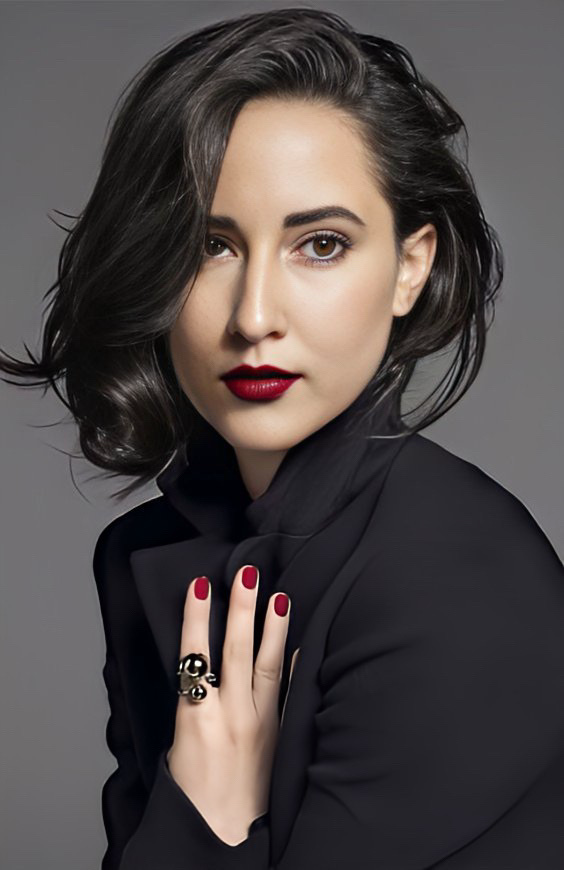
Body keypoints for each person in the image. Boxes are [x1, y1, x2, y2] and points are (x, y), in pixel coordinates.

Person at [2, 7, 563, 869]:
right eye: (209, 246)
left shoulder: (454, 573)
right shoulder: (146, 553)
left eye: (321, 244)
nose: (255, 316)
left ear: (410, 266)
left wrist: (205, 813)